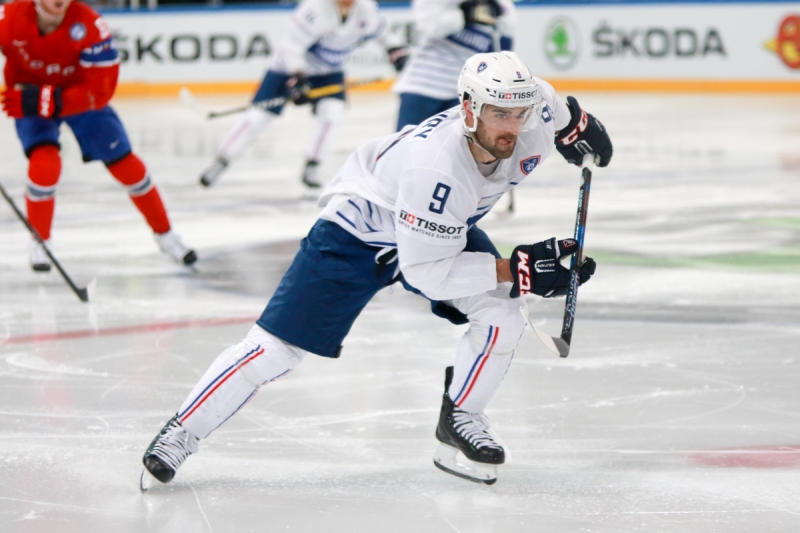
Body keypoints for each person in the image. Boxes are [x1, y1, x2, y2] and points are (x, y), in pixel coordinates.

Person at [141, 51, 613, 488]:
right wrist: (518, 268)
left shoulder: (537, 109)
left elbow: (556, 109)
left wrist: (579, 127)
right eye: (498, 114)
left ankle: (461, 417)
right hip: (359, 233)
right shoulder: (437, 169)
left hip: (440, 229)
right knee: (276, 350)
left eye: (519, 113)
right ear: (469, 110)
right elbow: (426, 273)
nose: (512, 126)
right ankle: (182, 432)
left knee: (503, 313)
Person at [0, 0, 197, 270]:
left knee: (129, 167)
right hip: (27, 95)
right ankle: (40, 241)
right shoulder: (9, 16)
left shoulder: (91, 26)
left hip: (79, 99)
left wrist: (51, 100)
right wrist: (38, 98)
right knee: (44, 164)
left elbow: (100, 92)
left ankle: (166, 234)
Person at [198, 0, 409, 190]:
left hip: (328, 72)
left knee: (332, 115)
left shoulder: (366, 9)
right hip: (285, 69)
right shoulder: (314, 9)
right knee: (257, 118)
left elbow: (384, 34)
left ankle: (312, 165)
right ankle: (222, 160)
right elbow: (291, 46)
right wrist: (298, 77)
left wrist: (395, 50)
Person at [393, 0, 515, 132]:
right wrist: (464, 14)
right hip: (422, 85)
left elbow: (502, 49)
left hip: (466, 91)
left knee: (456, 148)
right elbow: (430, 27)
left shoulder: (504, 6)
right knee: (405, 145)